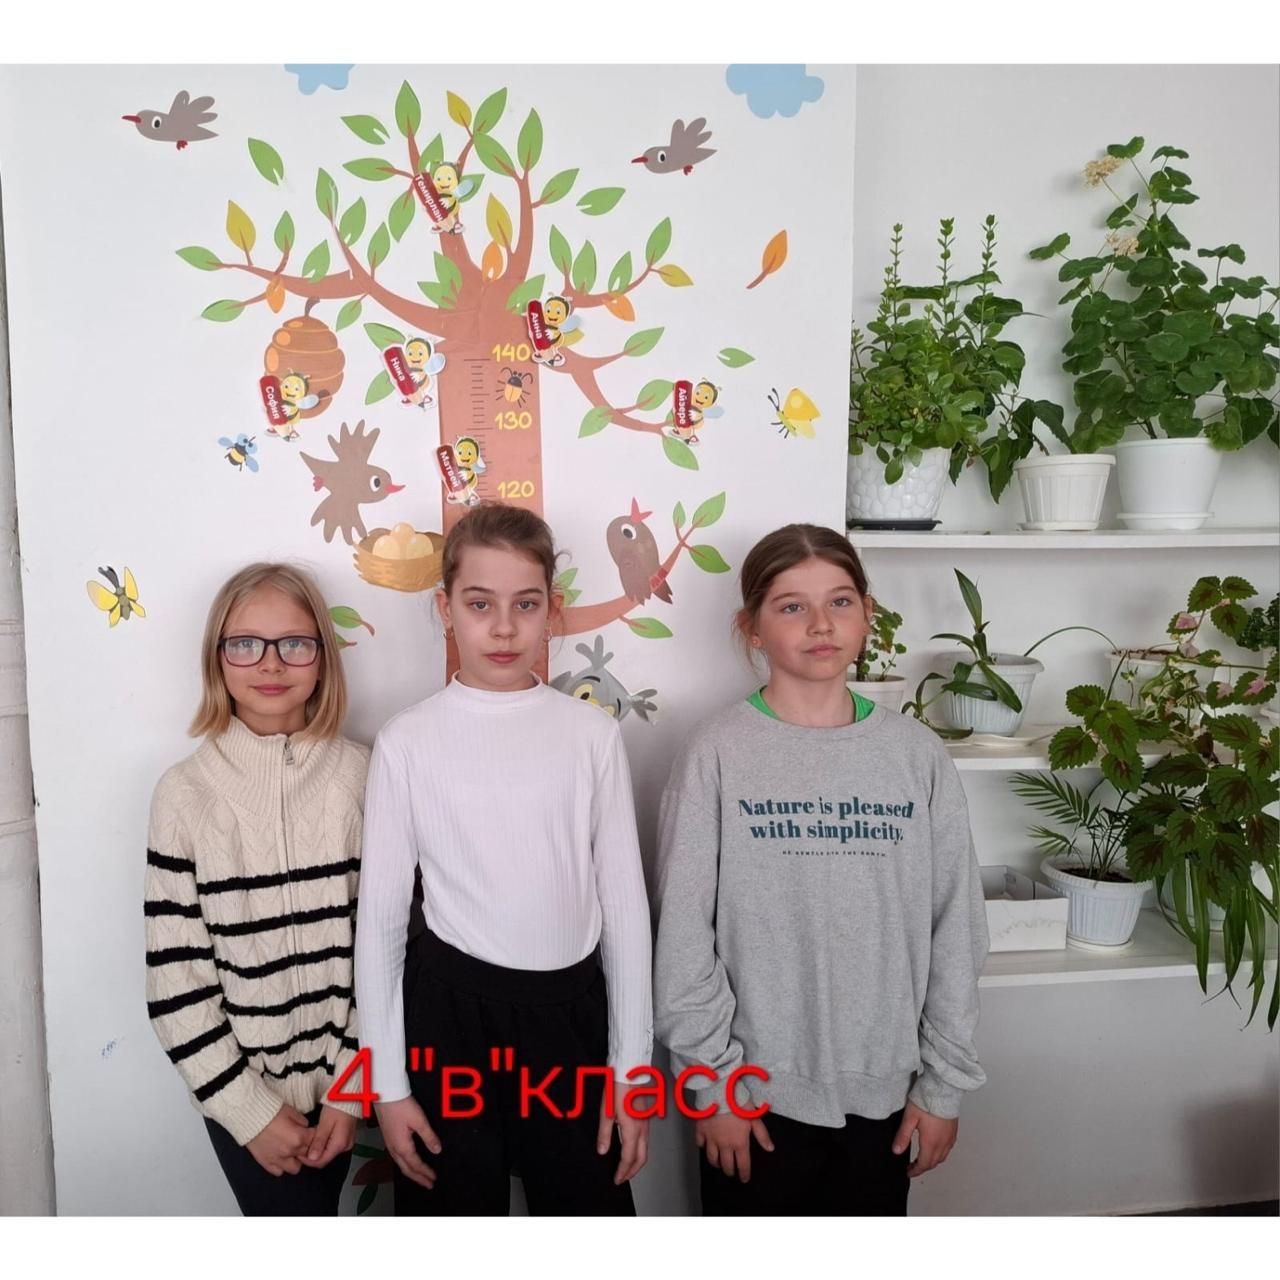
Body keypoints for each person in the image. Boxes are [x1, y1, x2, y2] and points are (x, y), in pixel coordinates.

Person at [653, 522, 989, 1216]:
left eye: (840, 601)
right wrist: (714, 1087)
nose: (820, 624)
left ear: (868, 614)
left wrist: (943, 1086)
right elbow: (682, 936)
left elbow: (957, 929)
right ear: (751, 627)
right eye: (791, 606)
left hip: (889, 1098)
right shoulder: (716, 752)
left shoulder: (915, 755)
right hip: (751, 1100)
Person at [355, 502, 653, 1215]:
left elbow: (624, 910)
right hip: (450, 1019)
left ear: (552, 610)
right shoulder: (407, 741)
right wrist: (388, 1087)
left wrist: (632, 1071)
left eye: (525, 604)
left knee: (589, 1210)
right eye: (479, 603)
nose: (503, 627)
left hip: (569, 1018)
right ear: (445, 608)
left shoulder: (590, 736)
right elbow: (382, 922)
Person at [144, 562, 369, 1215]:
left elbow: (387, 954)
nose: (271, 663)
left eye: (294, 643)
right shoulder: (183, 795)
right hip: (240, 1104)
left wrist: (352, 1090)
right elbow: (175, 981)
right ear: (217, 658)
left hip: (345, 1094)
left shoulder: (365, 777)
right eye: (245, 644)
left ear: (322, 658)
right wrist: (249, 1113)